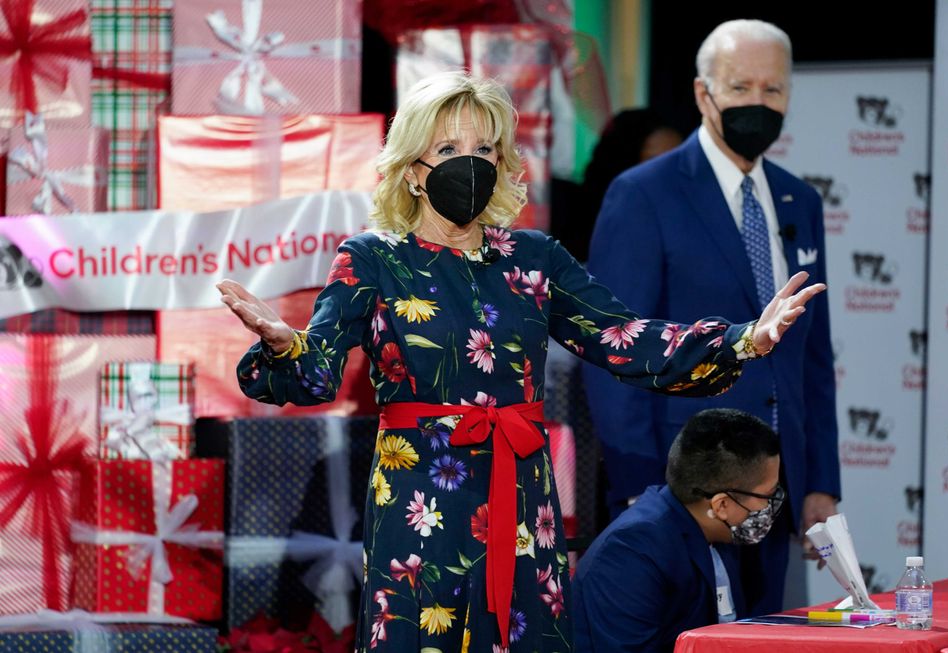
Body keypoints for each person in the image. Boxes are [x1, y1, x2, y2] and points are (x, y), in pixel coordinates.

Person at [216, 71, 824, 652]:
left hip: (523, 499)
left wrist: (743, 338)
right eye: (449, 145)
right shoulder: (373, 259)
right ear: (412, 170)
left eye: (486, 147)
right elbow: (315, 368)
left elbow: (623, 337)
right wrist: (281, 345)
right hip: (421, 500)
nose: (471, 161)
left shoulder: (534, 258)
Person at [583, 19, 840, 616]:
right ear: (704, 93)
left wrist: (819, 480)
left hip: (775, 494)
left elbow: (815, 354)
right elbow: (615, 351)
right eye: (741, 86)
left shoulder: (800, 199)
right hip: (685, 494)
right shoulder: (642, 193)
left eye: (773, 90)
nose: (758, 103)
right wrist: (638, 489)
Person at [573, 408, 782, 653]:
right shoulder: (631, 551)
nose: (770, 506)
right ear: (722, 504)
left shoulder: (718, 532)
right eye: (767, 496)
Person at [553, 108, 684, 262]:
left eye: (676, 162)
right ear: (623, 161)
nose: (668, 174)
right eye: (654, 162)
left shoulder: (678, 225)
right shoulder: (561, 213)